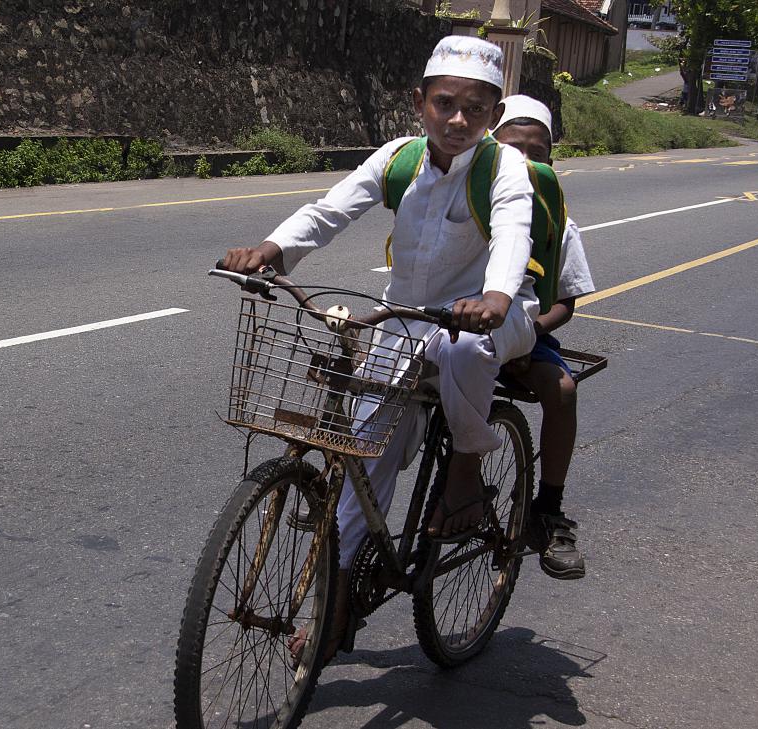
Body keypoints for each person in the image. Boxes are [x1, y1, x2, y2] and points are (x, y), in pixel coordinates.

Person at [223, 35, 539, 661]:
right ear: (419, 102)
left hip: (494, 316)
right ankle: (333, 607)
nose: (458, 120)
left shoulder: (506, 170)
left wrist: (498, 296)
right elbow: (331, 209)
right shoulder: (398, 159)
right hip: (404, 321)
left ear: (494, 113)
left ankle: (468, 467)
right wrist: (273, 249)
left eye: (475, 109)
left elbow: (511, 233)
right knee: (362, 458)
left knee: (462, 353)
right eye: (445, 104)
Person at [491, 95, 595, 580]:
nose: (526, 162)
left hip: (523, 331)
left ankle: (547, 510)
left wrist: (524, 335)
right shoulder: (468, 203)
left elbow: (563, 304)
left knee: (563, 390)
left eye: (538, 152)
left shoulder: (559, 221)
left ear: (552, 162)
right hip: (451, 324)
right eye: (514, 148)